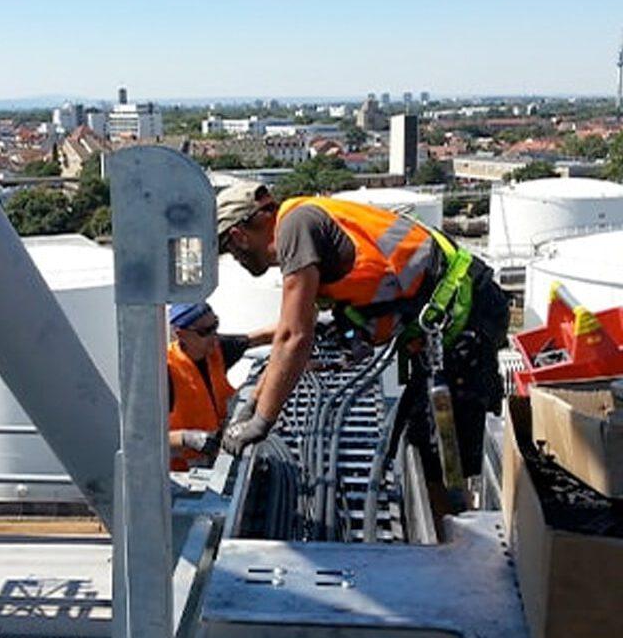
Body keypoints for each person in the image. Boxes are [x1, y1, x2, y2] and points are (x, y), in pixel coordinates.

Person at [216, 181, 509, 491]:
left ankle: (459, 534)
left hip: (466, 319)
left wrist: (261, 422)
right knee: (414, 450)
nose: (235, 257)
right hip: (453, 322)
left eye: (231, 249)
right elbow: (292, 335)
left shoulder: (296, 228)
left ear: (238, 236)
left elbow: (293, 337)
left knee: (439, 464)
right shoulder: (304, 223)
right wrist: (253, 402)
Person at [167, 302, 273, 471]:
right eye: (204, 332)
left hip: (221, 458)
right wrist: (187, 439)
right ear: (181, 334)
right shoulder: (165, 372)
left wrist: (303, 325)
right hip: (184, 478)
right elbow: (144, 442)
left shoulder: (217, 349)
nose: (214, 336)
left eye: (215, 325)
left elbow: (261, 337)